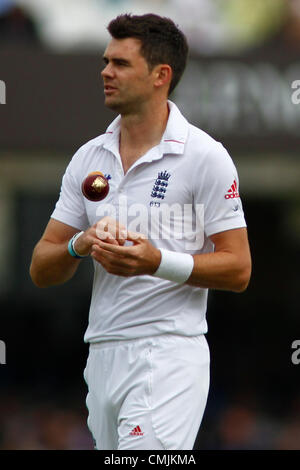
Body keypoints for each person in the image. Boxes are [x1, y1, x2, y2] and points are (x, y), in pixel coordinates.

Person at [30, 13, 251, 450]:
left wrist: (156, 262)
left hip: (169, 353)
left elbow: (239, 268)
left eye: (120, 63)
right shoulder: (89, 157)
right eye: (106, 61)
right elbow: (41, 266)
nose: (105, 72)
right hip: (103, 353)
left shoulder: (205, 156)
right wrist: (80, 244)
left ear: (160, 76)